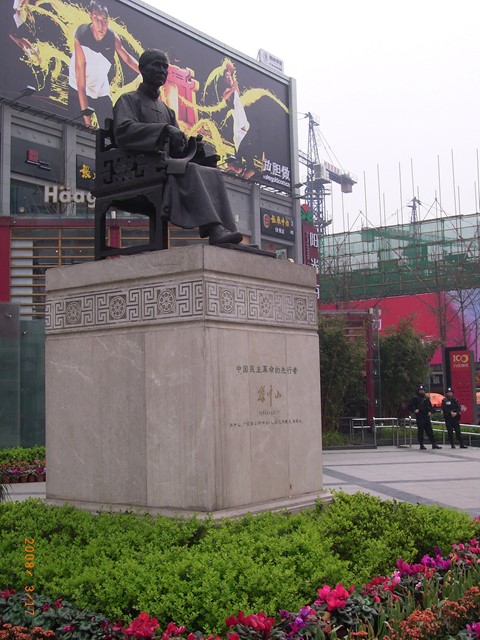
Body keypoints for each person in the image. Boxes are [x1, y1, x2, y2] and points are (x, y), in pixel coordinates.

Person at [112, 49, 243, 246]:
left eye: (165, 67)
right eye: (157, 65)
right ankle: (214, 230)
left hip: (163, 165)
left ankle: (227, 230)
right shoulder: (128, 100)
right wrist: (163, 130)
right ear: (142, 69)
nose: (162, 70)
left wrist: (192, 146)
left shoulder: (167, 110)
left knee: (213, 172)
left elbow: (177, 148)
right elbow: (124, 130)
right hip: (138, 167)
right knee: (189, 170)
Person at [68, 0, 139, 128]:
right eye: (96, 19)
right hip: (78, 88)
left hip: (100, 88)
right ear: (91, 17)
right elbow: (81, 85)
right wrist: (88, 125)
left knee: (109, 129)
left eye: (104, 20)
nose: (100, 25)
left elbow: (127, 59)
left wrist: (146, 72)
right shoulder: (81, 35)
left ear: (108, 20)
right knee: (78, 128)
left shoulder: (112, 37)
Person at [408, 385, 442, 450]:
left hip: (426, 416)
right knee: (420, 431)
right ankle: (421, 444)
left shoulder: (426, 398)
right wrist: (414, 410)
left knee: (430, 431)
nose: (422, 391)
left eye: (423, 390)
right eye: (421, 390)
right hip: (420, 416)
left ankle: (434, 443)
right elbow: (409, 405)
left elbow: (430, 406)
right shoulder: (415, 398)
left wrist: (430, 411)